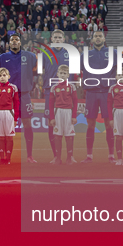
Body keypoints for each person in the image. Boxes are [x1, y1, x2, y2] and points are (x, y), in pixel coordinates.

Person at [0, 34, 37, 162]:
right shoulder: (2, 58)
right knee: (7, 127)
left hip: (24, 95)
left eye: (16, 40)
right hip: (8, 96)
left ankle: (29, 155)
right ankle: (6, 157)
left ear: (20, 42)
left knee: (27, 124)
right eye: (12, 40)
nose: (14, 42)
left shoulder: (30, 56)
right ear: (8, 43)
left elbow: (36, 72)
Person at [81, 30, 116, 163]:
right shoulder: (86, 54)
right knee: (90, 124)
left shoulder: (113, 53)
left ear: (104, 38)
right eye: (95, 36)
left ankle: (111, 155)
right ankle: (89, 155)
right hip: (91, 92)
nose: (98, 38)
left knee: (109, 124)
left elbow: (122, 67)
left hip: (107, 92)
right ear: (92, 39)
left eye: (100, 36)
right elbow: (76, 69)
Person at [42, 30, 74, 163]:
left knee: (68, 125)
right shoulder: (45, 53)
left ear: (63, 39)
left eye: (60, 37)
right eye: (55, 37)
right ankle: (56, 156)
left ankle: (69, 156)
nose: (57, 39)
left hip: (67, 92)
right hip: (50, 91)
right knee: (52, 123)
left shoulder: (70, 53)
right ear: (52, 39)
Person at [49, 65, 78, 165]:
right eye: (61, 73)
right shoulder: (54, 87)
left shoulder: (71, 87)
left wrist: (74, 116)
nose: (62, 75)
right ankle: (58, 158)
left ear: (68, 75)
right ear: (57, 74)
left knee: (69, 136)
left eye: (65, 73)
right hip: (58, 112)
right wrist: (52, 118)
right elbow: (50, 103)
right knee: (57, 136)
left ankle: (70, 158)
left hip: (68, 112)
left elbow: (75, 101)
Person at [0, 67, 19, 165]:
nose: (2, 77)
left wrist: (16, 118)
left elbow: (16, 103)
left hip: (9, 113)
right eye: (0, 75)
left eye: (4, 75)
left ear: (8, 76)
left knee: (9, 137)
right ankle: (2, 158)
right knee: (1, 137)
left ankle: (8, 158)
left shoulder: (13, 88)